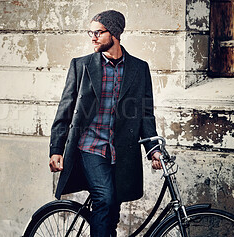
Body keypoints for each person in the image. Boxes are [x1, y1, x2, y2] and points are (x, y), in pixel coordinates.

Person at [49, 10, 162, 237]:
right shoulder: (81, 66)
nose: (93, 37)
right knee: (105, 199)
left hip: (122, 151)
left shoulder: (139, 69)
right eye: (90, 32)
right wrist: (56, 149)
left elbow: (145, 114)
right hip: (90, 147)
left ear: (115, 34)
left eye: (98, 32)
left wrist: (153, 150)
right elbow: (66, 109)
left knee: (113, 208)